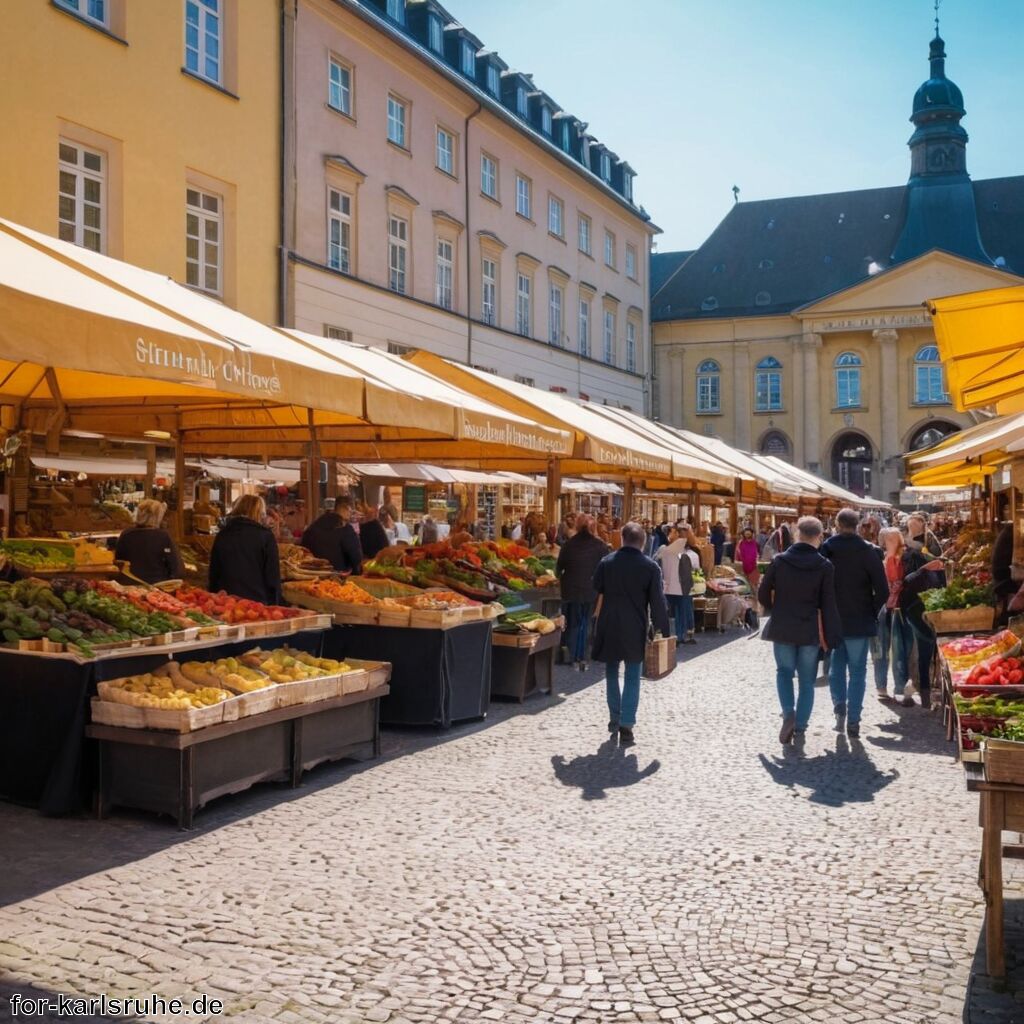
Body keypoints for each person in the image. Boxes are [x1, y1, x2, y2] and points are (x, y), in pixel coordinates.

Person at [758, 516, 842, 745]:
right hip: (809, 629)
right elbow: (828, 603)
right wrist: (833, 636)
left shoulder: (779, 561)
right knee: (806, 680)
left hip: (783, 625)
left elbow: (762, 593)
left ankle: (788, 714)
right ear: (819, 537)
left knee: (784, 672)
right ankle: (801, 725)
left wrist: (775, 608)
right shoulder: (824, 566)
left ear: (797, 534)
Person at [592, 522, 671, 746]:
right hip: (635, 625)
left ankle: (614, 718)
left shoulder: (606, 562)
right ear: (643, 543)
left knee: (611, 671)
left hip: (609, 623)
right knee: (633, 674)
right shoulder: (650, 567)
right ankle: (627, 724)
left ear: (622, 539)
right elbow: (657, 602)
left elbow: (595, 586)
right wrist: (663, 629)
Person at [822, 508, 889, 738]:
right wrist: (871, 610)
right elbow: (883, 589)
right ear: (858, 525)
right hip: (860, 619)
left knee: (836, 668)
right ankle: (854, 719)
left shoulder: (827, 549)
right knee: (858, 671)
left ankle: (840, 711)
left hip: (834, 618)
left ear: (837, 524)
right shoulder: (868, 551)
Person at [878, 526, 944, 708]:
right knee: (901, 651)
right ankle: (907, 690)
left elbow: (908, 582)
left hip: (912, 608)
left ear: (900, 539)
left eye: (894, 539)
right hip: (897, 610)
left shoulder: (910, 556)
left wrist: (923, 570)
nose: (891, 543)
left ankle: (918, 689)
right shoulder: (887, 559)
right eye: (888, 540)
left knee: (915, 651)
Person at [556, 514, 610, 671]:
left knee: (573, 622)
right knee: (585, 622)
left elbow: (559, 568)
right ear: (593, 528)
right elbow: (606, 570)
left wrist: (561, 576)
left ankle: (573, 655)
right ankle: (581, 656)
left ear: (578, 527)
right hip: (591, 590)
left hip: (570, 590)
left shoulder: (568, 544)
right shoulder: (600, 546)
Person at [209, 494, 282, 604]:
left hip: (226, 602)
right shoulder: (265, 537)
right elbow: (272, 578)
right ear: (259, 513)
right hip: (256, 604)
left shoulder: (223, 535)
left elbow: (214, 574)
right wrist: (275, 605)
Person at [114, 499, 185, 584]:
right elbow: (176, 567)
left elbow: (118, 560)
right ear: (157, 516)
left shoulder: (126, 534)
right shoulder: (163, 536)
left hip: (129, 585)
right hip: (158, 585)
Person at [655, 525, 694, 647]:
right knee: (670, 614)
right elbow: (658, 557)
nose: (670, 534)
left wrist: (686, 530)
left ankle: (679, 637)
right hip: (667, 587)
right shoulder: (664, 548)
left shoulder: (680, 549)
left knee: (679, 614)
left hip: (679, 587)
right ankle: (670, 636)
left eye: (672, 532)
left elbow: (686, 540)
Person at [301, 498, 363, 575]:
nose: (351, 515)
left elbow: (303, 551)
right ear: (346, 508)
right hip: (337, 578)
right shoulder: (345, 528)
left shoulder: (313, 527)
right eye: (351, 511)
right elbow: (356, 557)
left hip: (310, 577)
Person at [735, 526, 761, 596]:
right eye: (746, 534)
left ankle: (756, 599)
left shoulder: (755, 543)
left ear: (752, 534)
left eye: (749, 534)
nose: (747, 535)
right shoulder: (741, 543)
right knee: (744, 585)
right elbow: (737, 554)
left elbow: (757, 554)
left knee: (754, 585)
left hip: (753, 566)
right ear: (744, 535)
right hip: (743, 566)